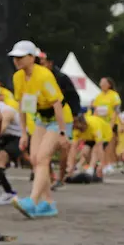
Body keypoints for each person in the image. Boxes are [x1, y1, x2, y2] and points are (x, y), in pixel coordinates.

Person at [9, 40, 67, 218]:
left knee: (42, 158)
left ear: (32, 57)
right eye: (14, 57)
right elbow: (22, 106)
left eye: (21, 57)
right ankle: (48, 203)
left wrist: (63, 133)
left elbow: (57, 104)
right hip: (40, 119)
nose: (17, 61)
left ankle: (32, 201)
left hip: (57, 120)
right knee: (35, 159)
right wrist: (24, 133)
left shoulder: (44, 75)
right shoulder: (17, 77)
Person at [39, 51, 79, 189]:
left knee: (63, 147)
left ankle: (61, 177)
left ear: (50, 64)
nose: (40, 66)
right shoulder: (37, 76)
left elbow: (74, 97)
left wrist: (74, 115)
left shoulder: (62, 78)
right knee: (42, 149)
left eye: (42, 63)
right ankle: (50, 175)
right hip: (43, 117)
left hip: (64, 115)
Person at [67, 112, 113, 181]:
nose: (76, 128)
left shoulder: (94, 125)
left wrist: (101, 165)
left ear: (83, 124)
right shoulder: (76, 128)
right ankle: (93, 167)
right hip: (90, 137)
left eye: (78, 126)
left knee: (95, 150)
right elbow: (73, 148)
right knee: (84, 152)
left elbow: (99, 147)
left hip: (104, 134)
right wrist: (70, 165)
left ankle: (91, 168)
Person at [91, 77, 122, 173]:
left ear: (109, 84)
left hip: (111, 123)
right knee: (100, 145)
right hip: (101, 124)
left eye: (104, 83)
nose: (101, 84)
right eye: (101, 83)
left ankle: (110, 163)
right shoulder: (99, 96)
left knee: (110, 145)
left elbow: (116, 110)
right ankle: (103, 163)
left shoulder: (114, 95)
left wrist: (112, 124)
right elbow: (95, 110)